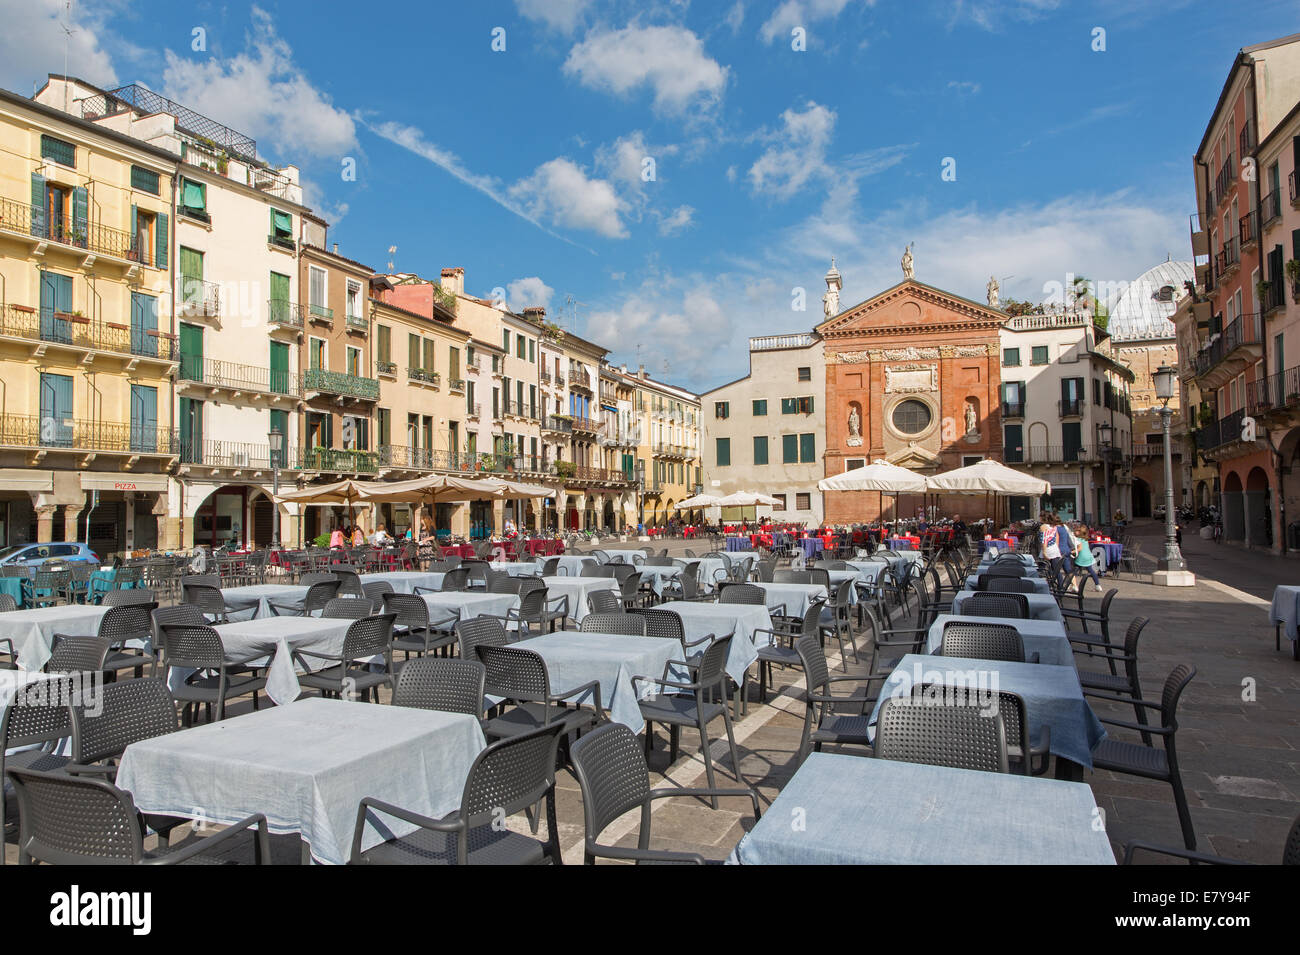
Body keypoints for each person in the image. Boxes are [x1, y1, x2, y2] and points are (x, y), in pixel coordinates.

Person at [1070, 523, 1103, 592]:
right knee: (1091, 571)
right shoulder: (1085, 539)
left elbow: (1079, 549)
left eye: (1076, 531)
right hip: (1088, 556)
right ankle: (1098, 585)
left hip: (1081, 557)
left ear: (1080, 533)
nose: (1075, 531)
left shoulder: (1078, 539)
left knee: (1074, 572)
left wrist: (1071, 552)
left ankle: (1073, 585)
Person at [1039, 513, 1065, 590]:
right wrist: (1056, 547)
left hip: (1047, 549)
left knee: (1041, 569)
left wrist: (1044, 551)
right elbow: (1057, 536)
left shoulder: (1043, 527)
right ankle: (1060, 586)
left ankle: (1043, 587)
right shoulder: (1054, 527)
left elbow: (1044, 540)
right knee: (1056, 570)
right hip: (1054, 549)